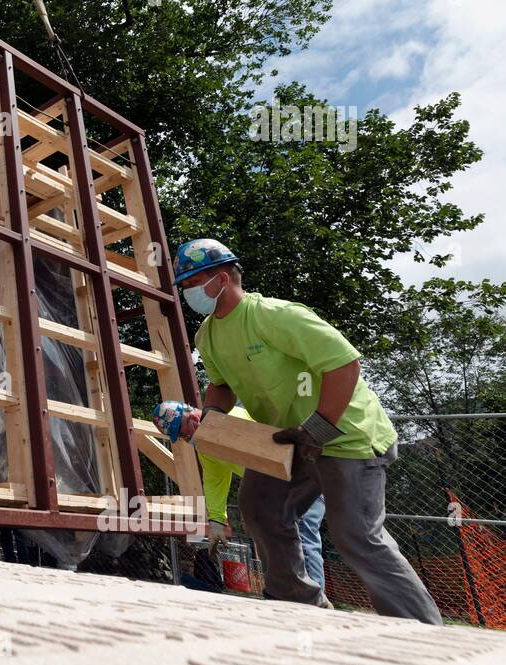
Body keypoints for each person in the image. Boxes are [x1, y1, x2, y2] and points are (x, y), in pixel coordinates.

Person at [168, 238, 441, 624]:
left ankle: (421, 629)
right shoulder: (207, 336)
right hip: (290, 442)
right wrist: (211, 416)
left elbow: (344, 364)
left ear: (223, 278)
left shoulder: (275, 316)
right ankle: (298, 604)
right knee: (261, 508)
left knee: (357, 536)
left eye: (195, 282)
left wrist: (318, 427)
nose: (189, 292)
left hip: (346, 436)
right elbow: (222, 384)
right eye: (185, 286)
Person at [153, 401, 328, 591]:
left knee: (302, 534)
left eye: (182, 431)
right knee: (271, 542)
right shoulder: (207, 446)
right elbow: (215, 480)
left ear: (194, 418)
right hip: (275, 490)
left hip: (300, 474)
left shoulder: (232, 419)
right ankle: (285, 593)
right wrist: (217, 520)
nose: (183, 438)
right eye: (178, 436)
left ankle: (315, 599)